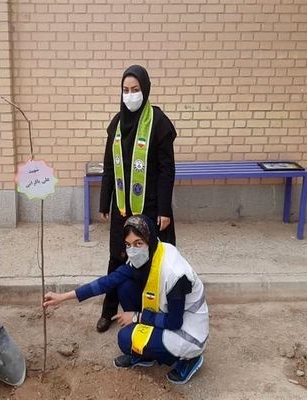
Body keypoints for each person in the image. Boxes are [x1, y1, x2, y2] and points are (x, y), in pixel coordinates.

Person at [44, 215, 208, 384]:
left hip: (188, 332)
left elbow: (174, 322)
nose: (133, 250)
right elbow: (106, 282)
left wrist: (136, 316)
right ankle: (145, 353)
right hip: (167, 313)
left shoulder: (175, 274)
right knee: (124, 286)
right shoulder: (149, 256)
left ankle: (190, 359)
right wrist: (63, 297)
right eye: (129, 245)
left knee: (125, 339)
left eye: (138, 243)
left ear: (149, 240)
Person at [97, 65, 178, 332]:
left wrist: (165, 208)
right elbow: (109, 166)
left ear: (145, 90)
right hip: (122, 206)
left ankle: (156, 312)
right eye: (125, 90)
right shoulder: (116, 125)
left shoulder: (158, 122)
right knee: (117, 258)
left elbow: (167, 169)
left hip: (152, 207)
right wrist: (103, 201)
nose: (130, 95)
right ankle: (108, 311)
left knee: (155, 259)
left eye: (135, 90)